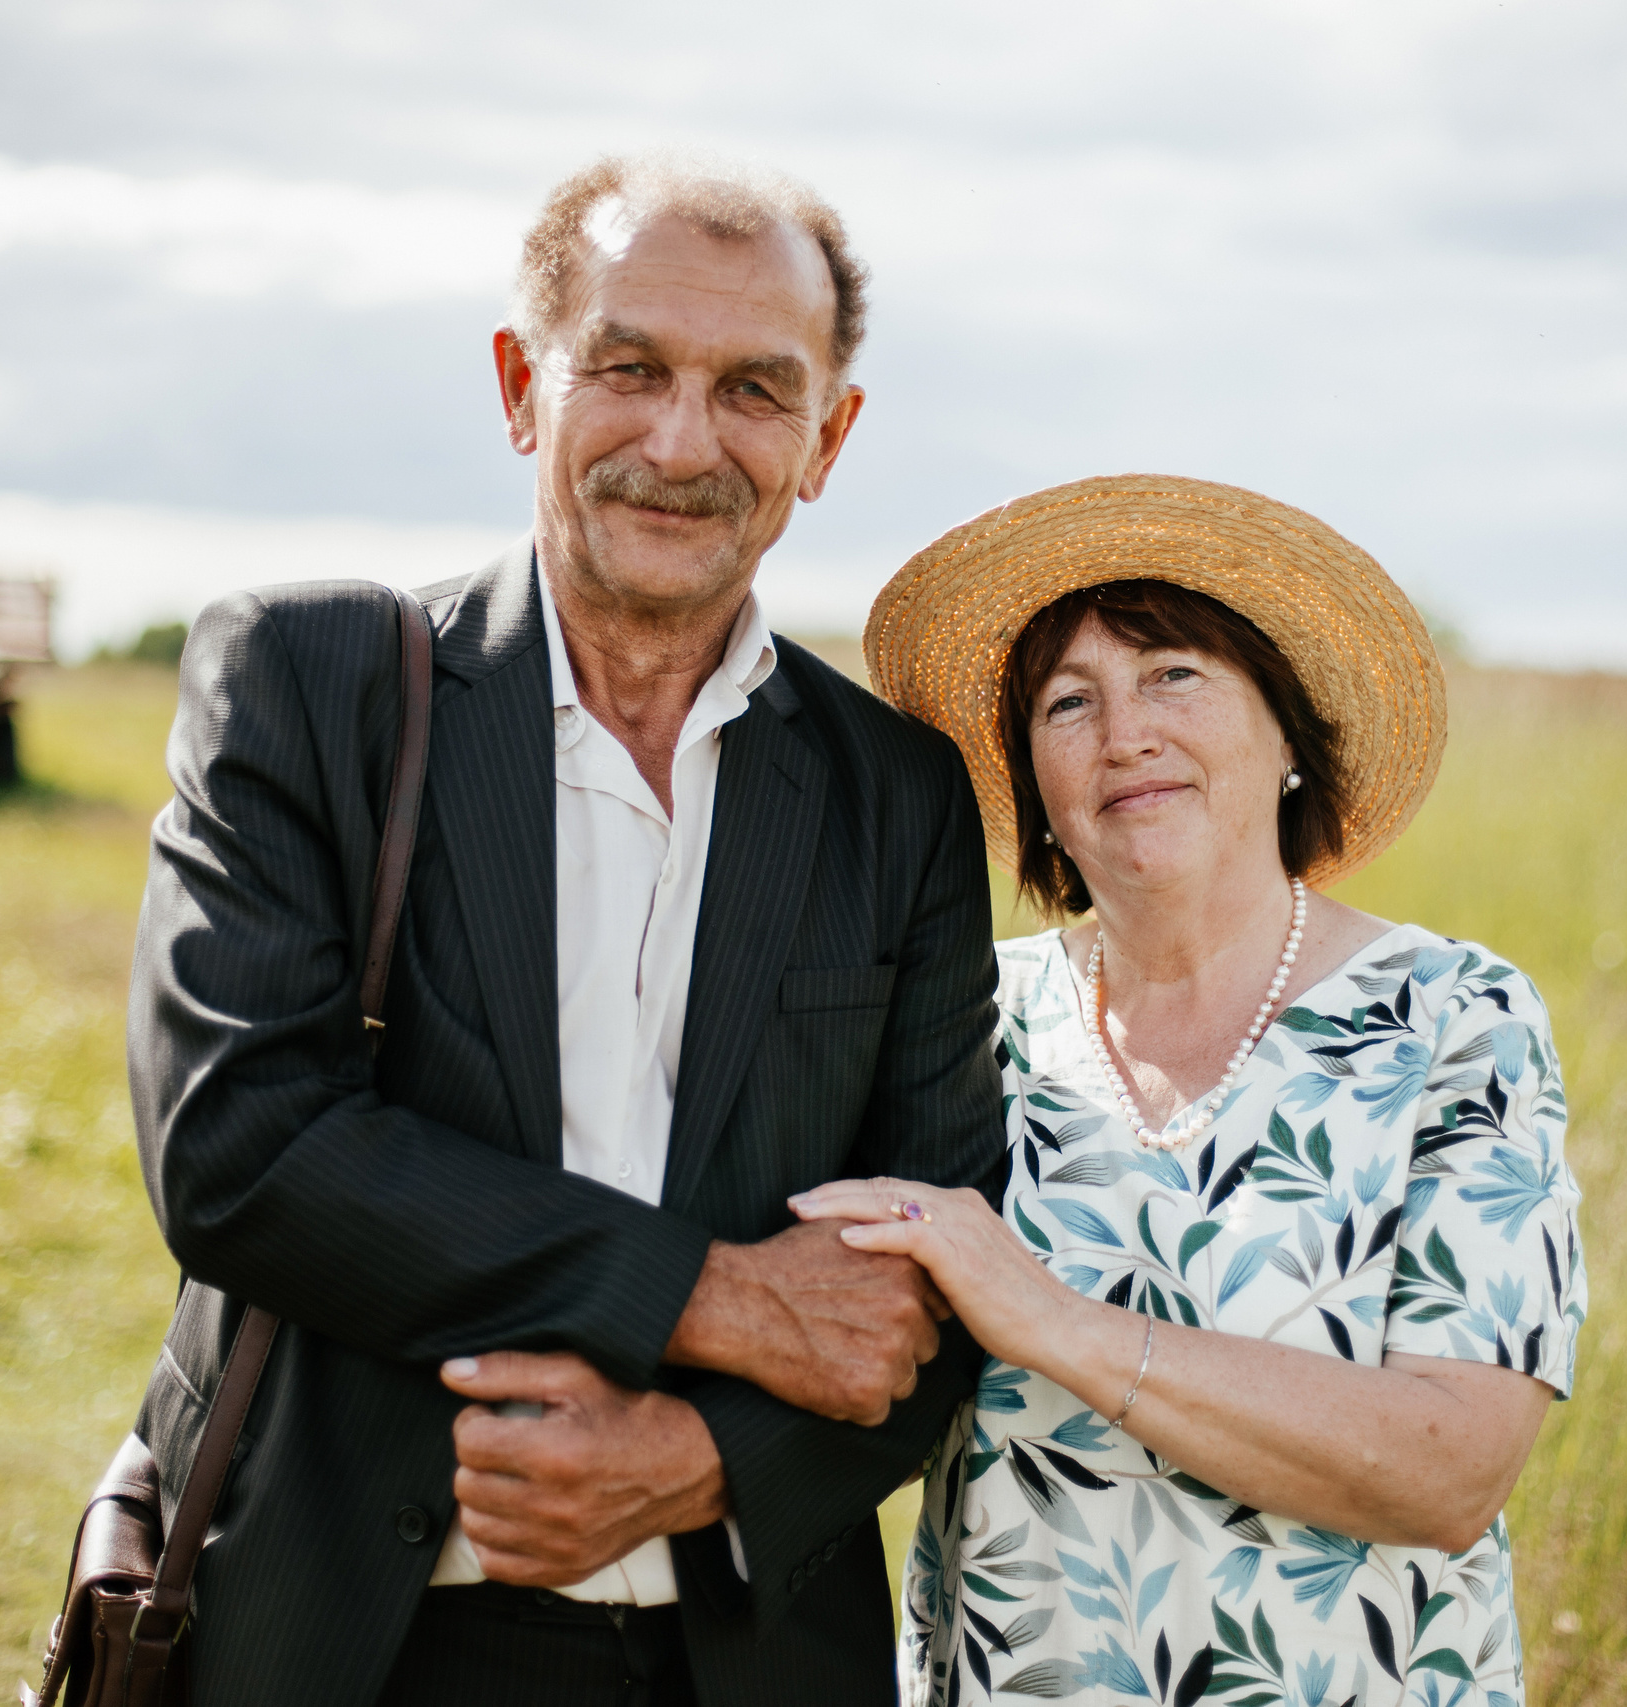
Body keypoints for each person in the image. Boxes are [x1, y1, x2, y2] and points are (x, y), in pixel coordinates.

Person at [124, 155, 1005, 1706]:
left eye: (753, 388)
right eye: (629, 366)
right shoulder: (310, 679)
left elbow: (932, 1281)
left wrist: (694, 1459)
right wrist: (719, 1296)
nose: (682, 440)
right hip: (336, 1638)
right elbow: (240, 1147)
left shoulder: (902, 792)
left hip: (738, 1654)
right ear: (525, 386)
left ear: (829, 437)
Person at [797, 475, 1589, 1707]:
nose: (1125, 734)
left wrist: (1052, 1321)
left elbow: (1451, 1470)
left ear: (1288, 737)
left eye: (1174, 674)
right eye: (1069, 703)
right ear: (1037, 798)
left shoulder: (1454, 1019)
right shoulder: (966, 1019)